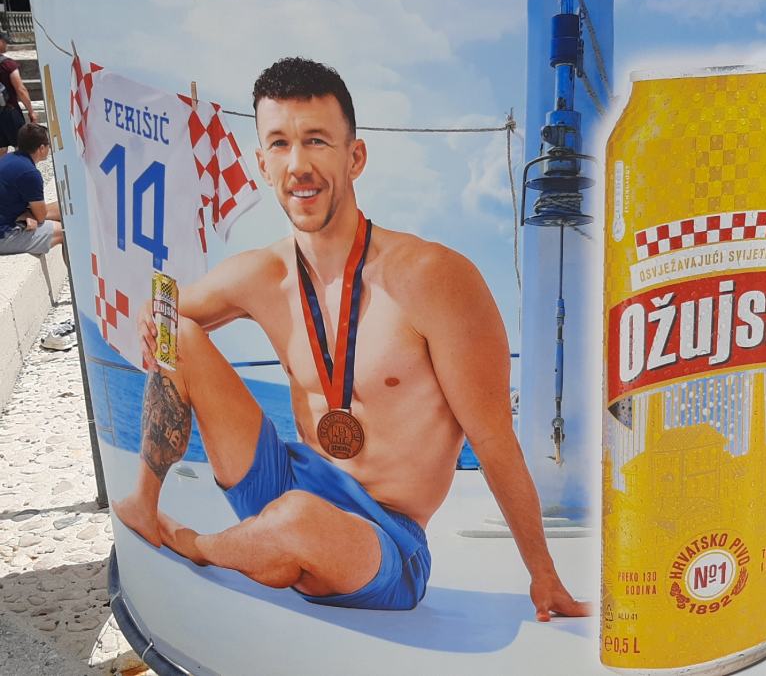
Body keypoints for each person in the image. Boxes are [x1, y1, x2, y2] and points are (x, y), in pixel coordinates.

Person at [113, 58, 589, 620]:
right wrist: (151, 314)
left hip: (385, 537)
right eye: (280, 144)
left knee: (296, 520)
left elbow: (493, 439)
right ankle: (146, 502)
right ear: (263, 163)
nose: (299, 165)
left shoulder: (434, 278)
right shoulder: (261, 275)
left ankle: (199, 544)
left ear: (355, 157)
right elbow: (168, 308)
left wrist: (544, 575)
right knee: (182, 332)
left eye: (316, 141)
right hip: (285, 480)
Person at [0, 123, 63, 256]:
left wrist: (27, 214)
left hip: (8, 216)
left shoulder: (8, 158)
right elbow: (40, 216)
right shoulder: (30, 174)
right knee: (64, 230)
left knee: (63, 210)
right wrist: (28, 215)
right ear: (41, 148)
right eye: (49, 144)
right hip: (4, 235)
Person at [0, 30, 37, 156]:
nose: (6, 45)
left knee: (1, 149)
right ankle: (21, 167)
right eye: (4, 42)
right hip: (10, 112)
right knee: (22, 147)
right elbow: (21, 90)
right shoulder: (8, 64)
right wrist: (31, 111)